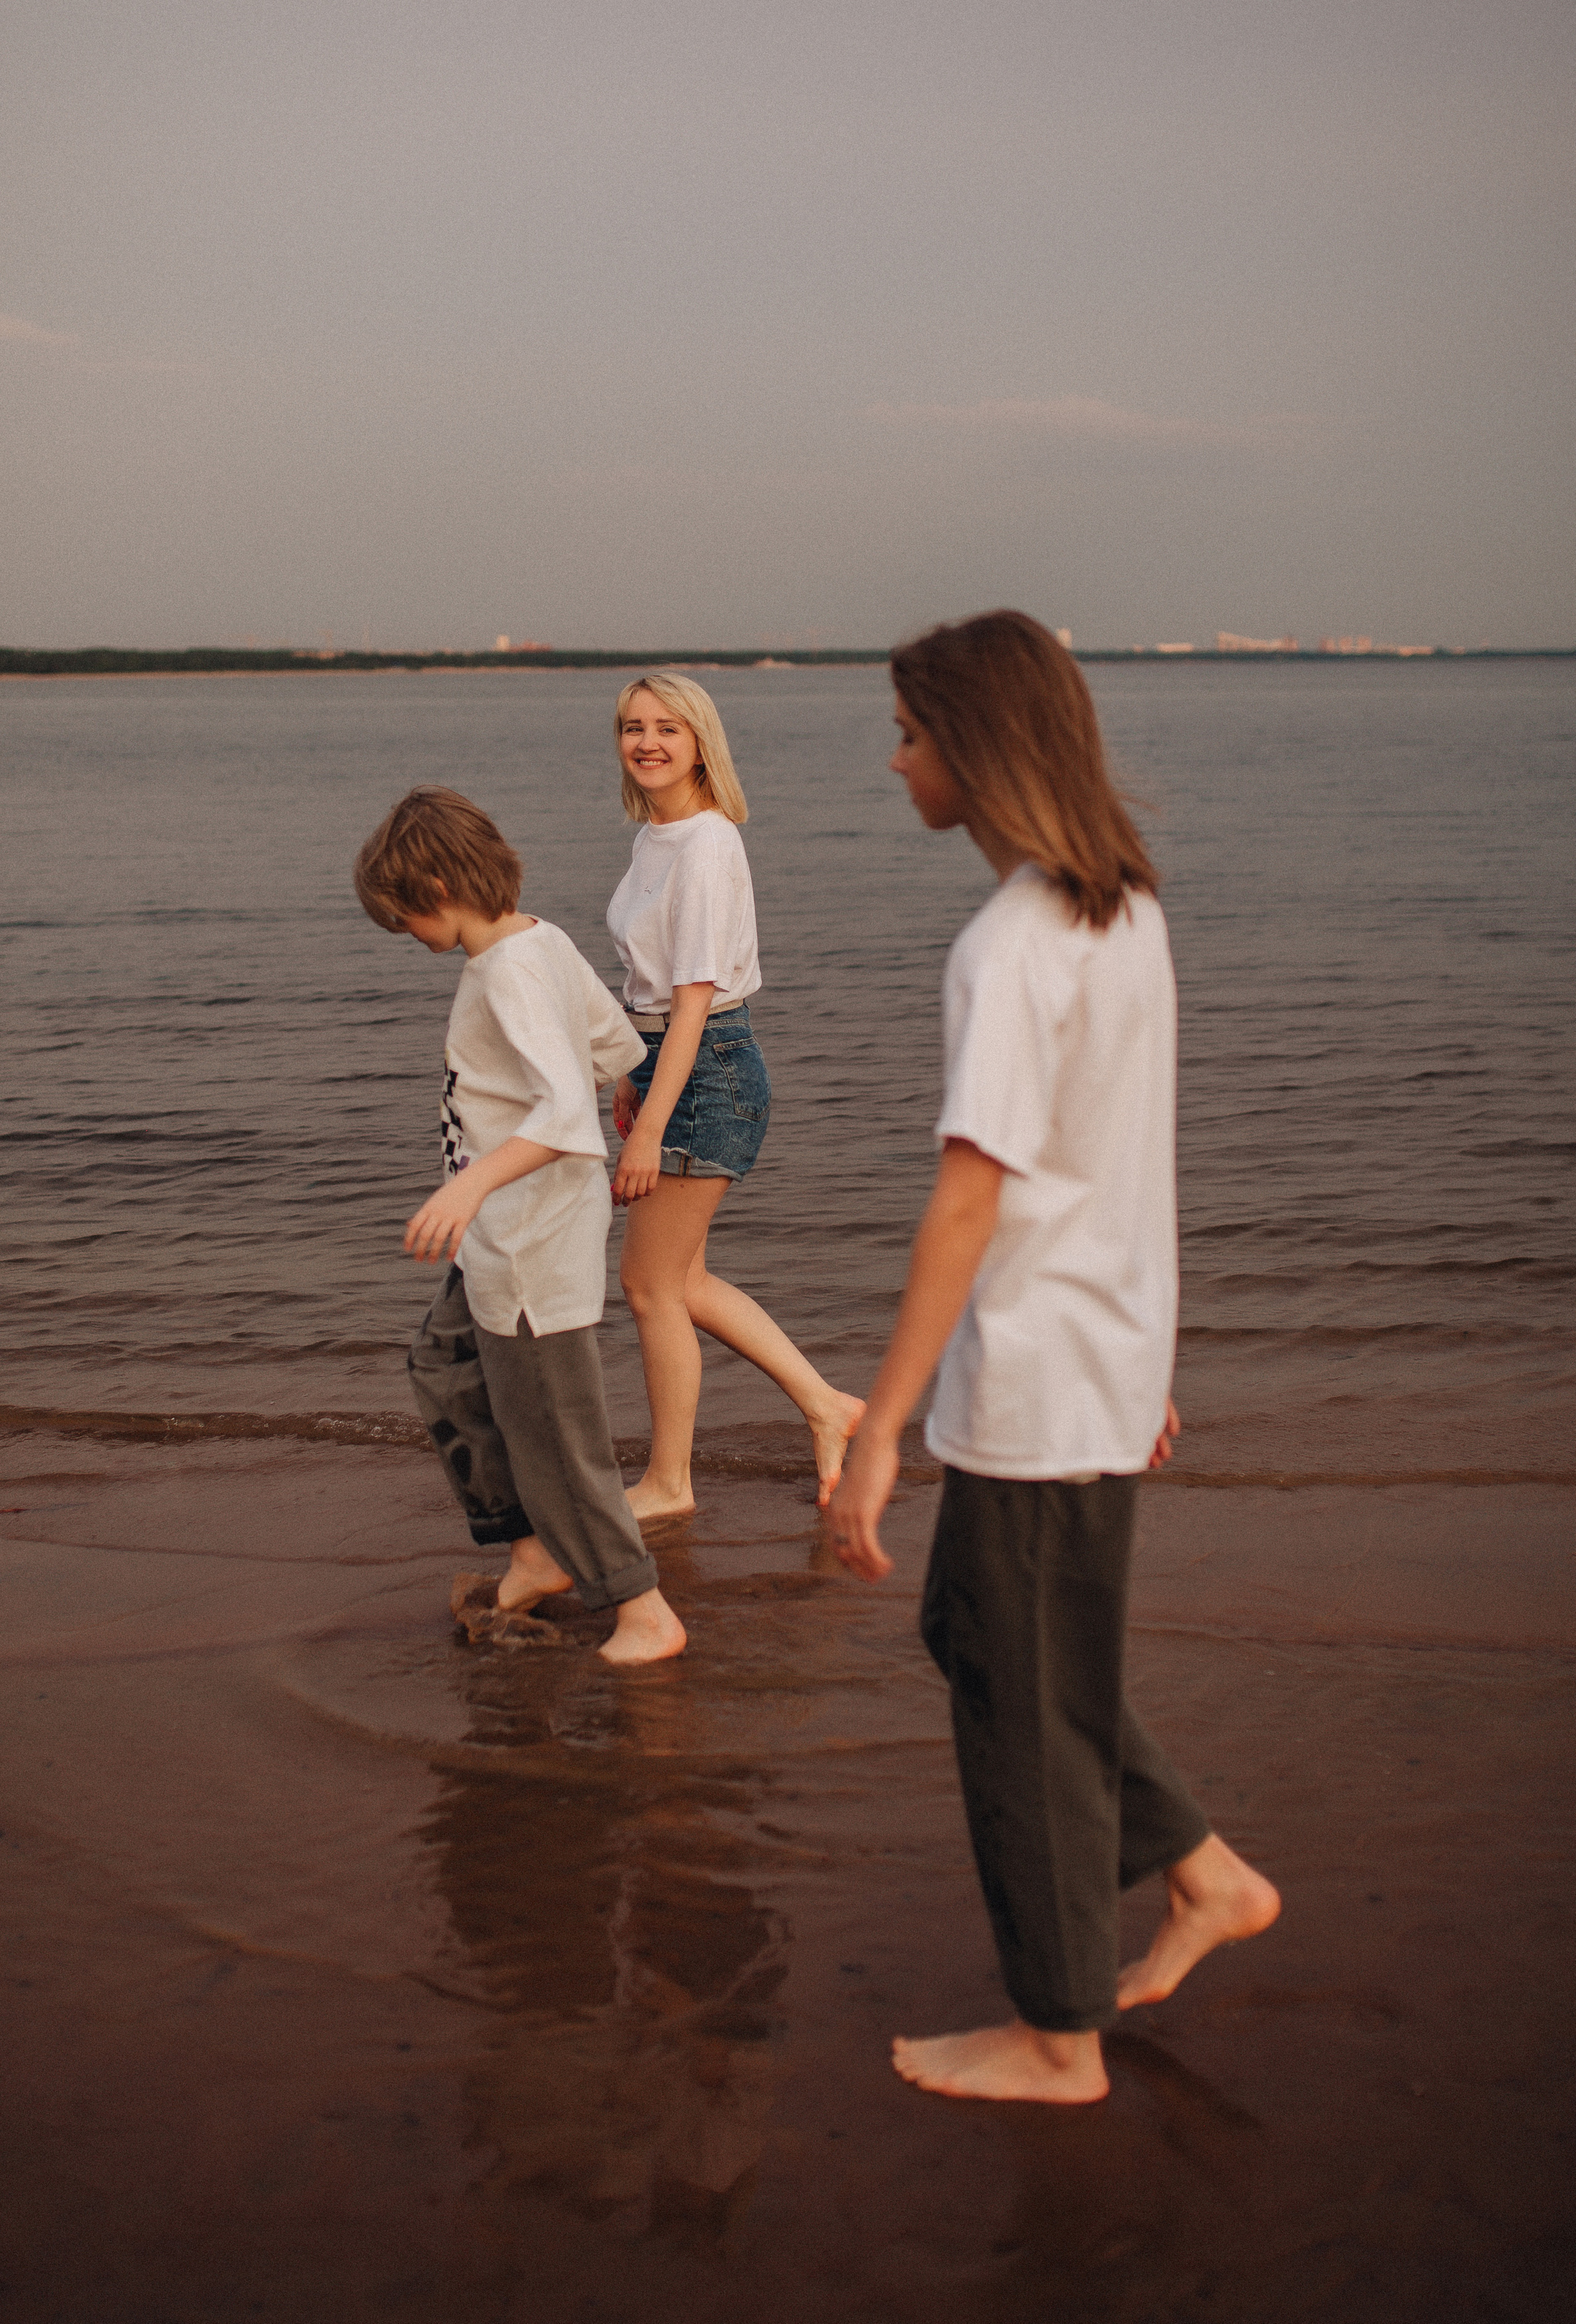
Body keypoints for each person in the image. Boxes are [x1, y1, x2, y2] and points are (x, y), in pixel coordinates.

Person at [827, 611, 1279, 2103]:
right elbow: (1125, 1168)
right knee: (985, 1635)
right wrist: (1144, 1371)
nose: (892, 761)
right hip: (1096, 1365)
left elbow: (973, 1196)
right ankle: (1200, 1872)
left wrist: (880, 1426)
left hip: (1037, 1387)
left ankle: (1056, 2034)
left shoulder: (1013, 943)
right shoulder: (1122, 907)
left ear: (974, 744)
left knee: (1016, 1702)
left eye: (907, 733)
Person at [353, 786, 686, 1666]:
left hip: (529, 1247)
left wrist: (469, 1189)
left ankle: (643, 1610)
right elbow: (615, 1047)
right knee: (445, 1368)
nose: (405, 938)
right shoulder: (539, 940)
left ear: (432, 890)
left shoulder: (507, 972)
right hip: (497, 1242)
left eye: (401, 919)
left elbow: (567, 1114)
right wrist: (618, 1087)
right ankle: (533, 1554)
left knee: (555, 1441)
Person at [605, 672, 864, 1521]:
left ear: (700, 743)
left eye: (667, 729)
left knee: (649, 1286)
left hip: (707, 1067)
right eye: (633, 727)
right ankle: (827, 1406)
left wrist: (650, 1130)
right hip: (667, 1065)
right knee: (684, 1283)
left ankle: (670, 1484)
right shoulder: (657, 837)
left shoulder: (710, 844)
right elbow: (645, 988)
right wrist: (626, 1079)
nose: (647, 742)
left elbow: (693, 998)